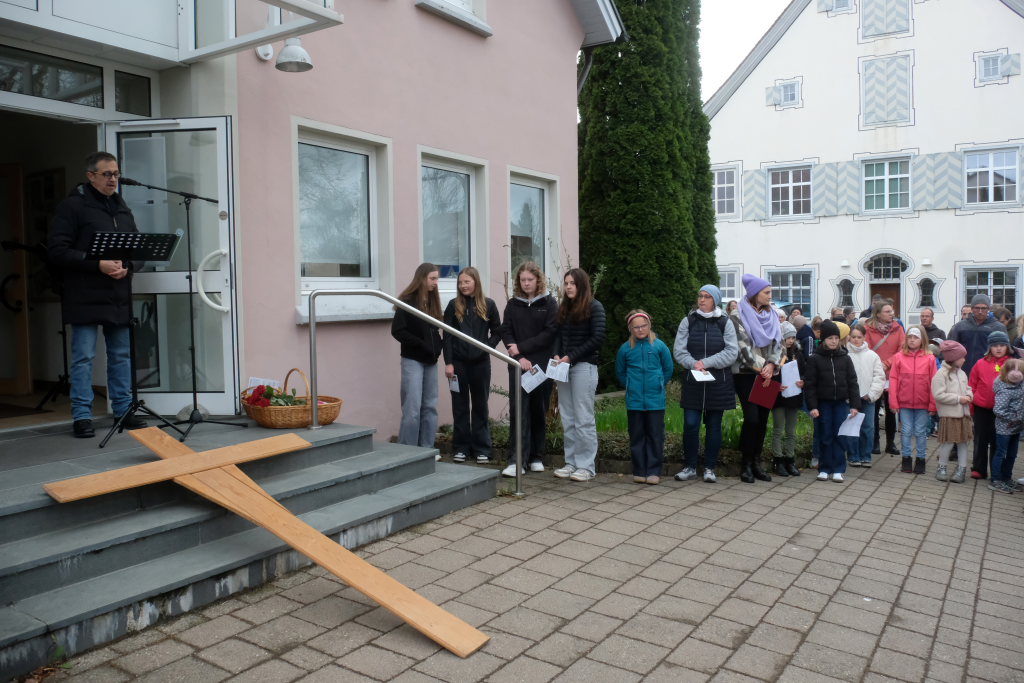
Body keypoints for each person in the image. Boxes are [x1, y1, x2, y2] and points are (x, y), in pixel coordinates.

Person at [48, 152, 144, 439]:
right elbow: (57, 251)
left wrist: (128, 267)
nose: (113, 179)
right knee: (84, 357)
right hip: (84, 295)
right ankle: (82, 416)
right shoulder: (72, 206)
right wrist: (97, 264)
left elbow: (137, 250)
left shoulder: (122, 207)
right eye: (107, 174)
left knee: (121, 356)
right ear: (91, 176)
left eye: (116, 174)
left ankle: (124, 410)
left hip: (117, 295)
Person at [674, 285, 738, 484]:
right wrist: (694, 364)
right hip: (693, 381)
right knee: (690, 424)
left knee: (714, 426)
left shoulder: (725, 322)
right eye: (700, 296)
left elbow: (731, 352)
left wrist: (706, 363)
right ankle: (690, 467)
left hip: (718, 383)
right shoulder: (688, 321)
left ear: (715, 300)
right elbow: (679, 351)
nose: (702, 300)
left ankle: (710, 468)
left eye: (707, 297)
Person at [500, 261, 558, 476]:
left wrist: (523, 348)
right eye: (522, 280)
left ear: (537, 280)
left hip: (541, 366)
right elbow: (506, 332)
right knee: (519, 412)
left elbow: (549, 333)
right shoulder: (512, 304)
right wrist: (520, 356)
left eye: (530, 280)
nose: (526, 283)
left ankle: (536, 457)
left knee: (538, 410)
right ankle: (516, 461)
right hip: (518, 364)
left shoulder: (549, 303)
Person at [551, 268, 606, 482]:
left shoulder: (594, 306)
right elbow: (557, 334)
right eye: (566, 283)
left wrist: (570, 357)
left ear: (581, 285)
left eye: (572, 283)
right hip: (563, 367)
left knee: (583, 418)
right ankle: (571, 462)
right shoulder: (564, 307)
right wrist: (557, 355)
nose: (568, 287)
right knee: (568, 417)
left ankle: (586, 467)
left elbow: (597, 338)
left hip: (584, 367)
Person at [442, 267, 501, 464]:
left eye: (467, 282)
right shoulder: (453, 305)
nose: (463, 286)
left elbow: (497, 331)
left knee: (480, 405)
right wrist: (449, 363)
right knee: (459, 406)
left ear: (476, 282)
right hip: (458, 364)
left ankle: (482, 449)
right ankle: (461, 448)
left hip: (481, 364)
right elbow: (447, 336)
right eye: (460, 282)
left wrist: (486, 348)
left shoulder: (489, 305)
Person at [731, 274, 783, 484]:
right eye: (767, 292)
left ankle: (756, 463)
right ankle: (745, 463)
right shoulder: (738, 315)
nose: (770, 296)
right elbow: (743, 348)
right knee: (751, 419)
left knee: (762, 420)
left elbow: (779, 344)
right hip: (746, 374)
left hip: (768, 374)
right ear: (755, 294)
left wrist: (772, 365)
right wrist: (765, 368)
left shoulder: (772, 314)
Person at [616, 310, 674, 485]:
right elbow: (620, 371)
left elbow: (668, 368)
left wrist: (659, 382)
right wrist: (630, 385)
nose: (640, 330)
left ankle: (654, 471)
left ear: (649, 326)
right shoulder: (625, 349)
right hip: (634, 401)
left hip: (655, 400)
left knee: (655, 436)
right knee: (636, 436)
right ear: (630, 329)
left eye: (643, 326)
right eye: (636, 327)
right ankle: (639, 470)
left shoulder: (659, 346)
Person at [391, 263, 443, 450]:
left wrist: (437, 346)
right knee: (412, 408)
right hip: (413, 360)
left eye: (437, 279)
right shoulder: (407, 301)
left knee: (430, 407)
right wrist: (421, 344)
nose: (436, 283)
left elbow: (434, 330)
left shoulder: (433, 301)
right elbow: (398, 331)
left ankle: (427, 449)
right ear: (422, 278)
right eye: (432, 278)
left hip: (431, 361)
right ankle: (407, 450)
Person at [804, 320, 861, 483]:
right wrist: (813, 406)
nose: (834, 341)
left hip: (841, 403)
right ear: (823, 340)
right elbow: (810, 385)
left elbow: (852, 382)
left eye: (836, 338)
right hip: (824, 403)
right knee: (825, 434)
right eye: (830, 338)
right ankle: (824, 468)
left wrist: (855, 405)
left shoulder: (845, 358)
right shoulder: (815, 359)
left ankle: (838, 468)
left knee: (840, 435)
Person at [968, 330, 1016, 479]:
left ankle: (997, 470)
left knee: (998, 441)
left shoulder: (1013, 364)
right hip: (982, 407)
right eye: (995, 345)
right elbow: (972, 384)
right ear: (989, 347)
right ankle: (979, 468)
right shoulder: (980, 363)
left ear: (1007, 347)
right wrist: (971, 406)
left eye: (1002, 345)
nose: (999, 348)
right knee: (980, 439)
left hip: (1003, 411)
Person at [889, 326, 937, 474]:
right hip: (904, 402)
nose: (912, 340)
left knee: (921, 432)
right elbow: (893, 379)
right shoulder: (899, 357)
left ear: (922, 339)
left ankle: (921, 459)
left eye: (915, 337)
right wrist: (893, 401)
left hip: (923, 403)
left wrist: (933, 404)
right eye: (909, 337)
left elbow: (934, 382)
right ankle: (906, 458)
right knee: (906, 431)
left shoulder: (930, 358)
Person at [864, 300, 905, 455]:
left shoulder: (898, 328)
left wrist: (887, 363)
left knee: (891, 409)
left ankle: (890, 443)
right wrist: (877, 364)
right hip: (873, 374)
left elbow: (902, 350)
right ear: (878, 314)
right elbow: (866, 348)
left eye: (892, 311)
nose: (891, 314)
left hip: (891, 374)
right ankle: (874, 442)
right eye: (887, 311)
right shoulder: (868, 329)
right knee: (873, 410)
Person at [931, 340, 973, 484]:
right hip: (950, 415)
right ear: (953, 358)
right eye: (962, 357)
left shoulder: (962, 373)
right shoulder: (941, 374)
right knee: (948, 443)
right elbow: (938, 395)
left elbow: (968, 388)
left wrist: (969, 395)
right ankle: (941, 468)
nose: (964, 360)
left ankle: (961, 470)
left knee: (963, 443)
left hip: (963, 415)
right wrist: (958, 399)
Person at [846, 324, 886, 468]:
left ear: (864, 337)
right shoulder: (845, 355)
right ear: (849, 337)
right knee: (852, 428)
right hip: (851, 399)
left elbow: (879, 377)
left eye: (859, 337)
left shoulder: (872, 356)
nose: (856, 340)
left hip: (867, 398)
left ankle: (865, 456)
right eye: (854, 337)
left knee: (868, 427)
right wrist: (848, 396)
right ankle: (853, 456)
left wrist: (871, 394)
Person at [771, 322, 805, 477]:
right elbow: (769, 373)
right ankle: (778, 460)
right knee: (778, 429)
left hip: (793, 396)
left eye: (792, 337)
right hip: (778, 397)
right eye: (787, 337)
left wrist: (803, 381)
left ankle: (790, 459)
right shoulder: (775, 353)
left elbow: (805, 371)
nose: (790, 340)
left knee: (791, 430)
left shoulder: (798, 354)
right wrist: (776, 386)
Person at [990, 358, 1024, 493]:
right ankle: (996, 480)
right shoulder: (1004, 389)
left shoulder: (1020, 385)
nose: (1016, 373)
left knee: (1012, 454)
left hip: (1017, 427)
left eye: (1019, 370)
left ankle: (1006, 478)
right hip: (1005, 428)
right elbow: (999, 410)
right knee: (1001, 453)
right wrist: (1014, 418)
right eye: (1013, 370)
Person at [949, 294, 1006, 375]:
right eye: (977, 308)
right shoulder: (960, 326)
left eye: (983, 308)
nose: (980, 311)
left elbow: (1005, 351)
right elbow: (951, 347)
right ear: (972, 309)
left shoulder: (998, 327)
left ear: (988, 309)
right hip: (963, 370)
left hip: (989, 370)